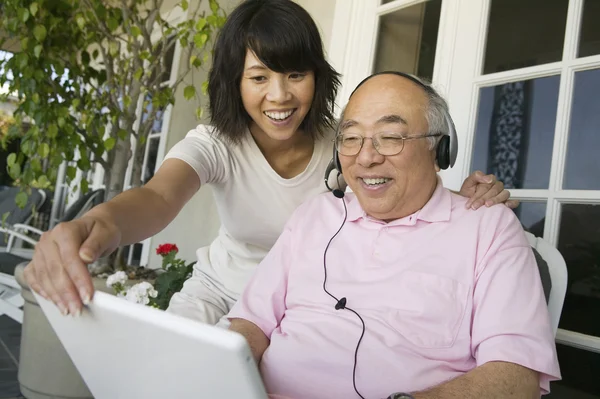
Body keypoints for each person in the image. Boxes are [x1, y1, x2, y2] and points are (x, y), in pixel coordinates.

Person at [24, 0, 515, 320]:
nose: (279, 96)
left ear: (317, 78)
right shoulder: (215, 144)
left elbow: (401, 188)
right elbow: (157, 195)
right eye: (258, 78)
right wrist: (96, 225)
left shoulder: (345, 146)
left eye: (295, 74)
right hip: (217, 293)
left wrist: (464, 196)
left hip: (310, 302)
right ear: (234, 84)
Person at [227, 71, 561, 399]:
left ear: (439, 150)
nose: (367, 157)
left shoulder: (488, 229)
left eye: (390, 137)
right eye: (351, 138)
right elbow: (249, 323)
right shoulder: (313, 216)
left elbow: (516, 377)